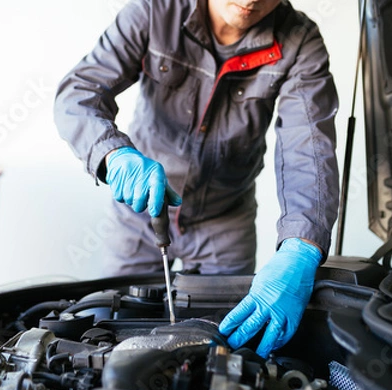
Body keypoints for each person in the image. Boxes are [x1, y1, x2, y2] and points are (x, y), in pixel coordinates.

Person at [54, 0, 339, 358]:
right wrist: (113, 155)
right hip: (139, 214)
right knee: (109, 337)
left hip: (226, 224)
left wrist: (302, 246)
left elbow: (308, 149)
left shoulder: (299, 42)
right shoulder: (154, 11)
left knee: (222, 350)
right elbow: (78, 94)